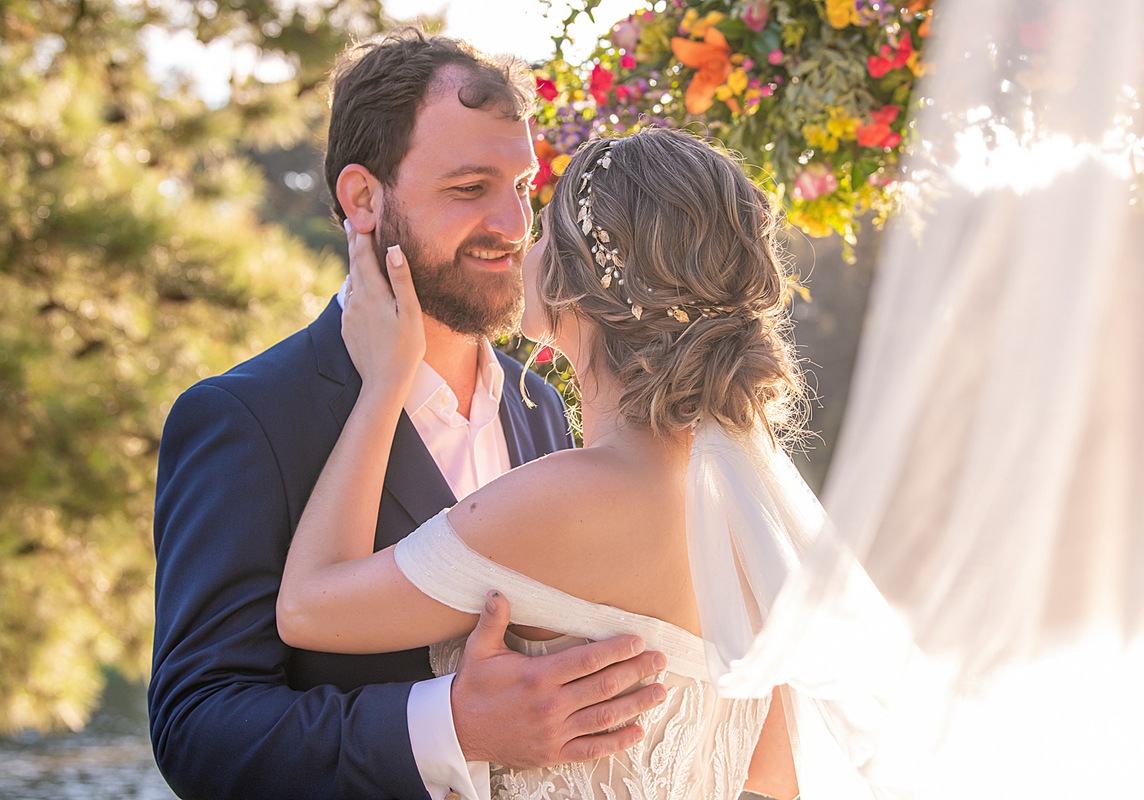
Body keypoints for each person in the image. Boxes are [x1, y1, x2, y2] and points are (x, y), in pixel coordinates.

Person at [149, 29, 668, 800]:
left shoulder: (542, 411)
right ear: (363, 199)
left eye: (522, 187)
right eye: (469, 188)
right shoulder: (243, 417)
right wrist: (448, 727)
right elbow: (197, 727)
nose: (513, 224)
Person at [276, 128, 811, 800]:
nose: (521, 243)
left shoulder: (569, 498)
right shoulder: (748, 522)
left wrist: (386, 382)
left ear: (576, 280)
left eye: (545, 224)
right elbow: (776, 769)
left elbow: (308, 608)